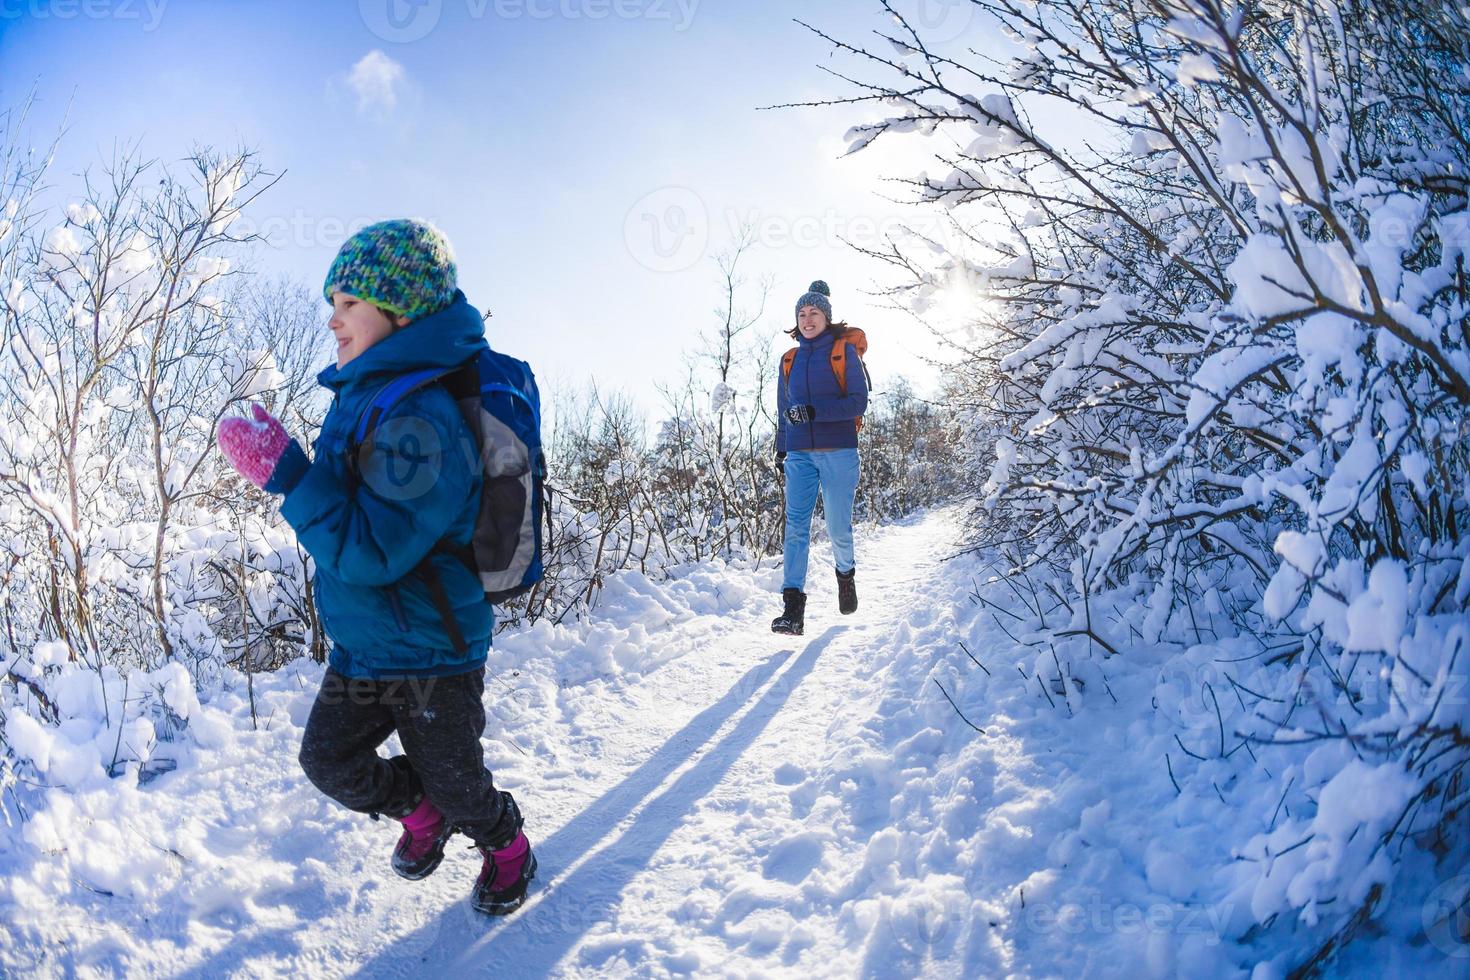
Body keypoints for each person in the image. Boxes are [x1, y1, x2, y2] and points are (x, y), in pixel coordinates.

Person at [216, 220, 536, 916]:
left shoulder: (422, 417)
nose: (332, 319)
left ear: (401, 311)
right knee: (329, 761)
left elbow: (370, 549)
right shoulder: (366, 397)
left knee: (458, 780)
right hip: (367, 647)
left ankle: (506, 844)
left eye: (348, 302)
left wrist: (287, 473)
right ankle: (422, 814)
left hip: (432, 653)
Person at [771, 280, 868, 635]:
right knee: (796, 527)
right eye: (801, 313)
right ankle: (792, 609)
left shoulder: (844, 353)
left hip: (839, 451)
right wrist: (782, 447)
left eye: (813, 312)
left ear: (826, 317)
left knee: (838, 528)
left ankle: (845, 576)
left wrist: (814, 412)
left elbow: (858, 403)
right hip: (799, 455)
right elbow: (783, 408)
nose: (807, 318)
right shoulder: (789, 359)